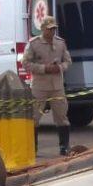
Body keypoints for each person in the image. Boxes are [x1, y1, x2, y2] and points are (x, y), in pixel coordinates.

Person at [23, 16, 72, 156]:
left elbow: (68, 61)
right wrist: (44, 68)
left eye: (54, 29)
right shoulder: (34, 44)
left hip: (57, 86)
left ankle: (64, 147)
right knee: (34, 117)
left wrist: (60, 67)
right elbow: (25, 63)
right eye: (50, 29)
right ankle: (33, 149)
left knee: (62, 116)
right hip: (40, 86)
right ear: (43, 29)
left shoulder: (60, 43)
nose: (52, 32)